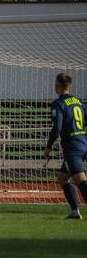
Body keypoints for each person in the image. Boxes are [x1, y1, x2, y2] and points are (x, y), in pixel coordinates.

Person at [44, 73, 87, 219]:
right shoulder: (79, 102)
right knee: (62, 178)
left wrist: (48, 146)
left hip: (72, 147)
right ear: (70, 86)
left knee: (80, 179)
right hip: (83, 143)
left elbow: (57, 128)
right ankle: (75, 211)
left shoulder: (58, 104)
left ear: (57, 86)